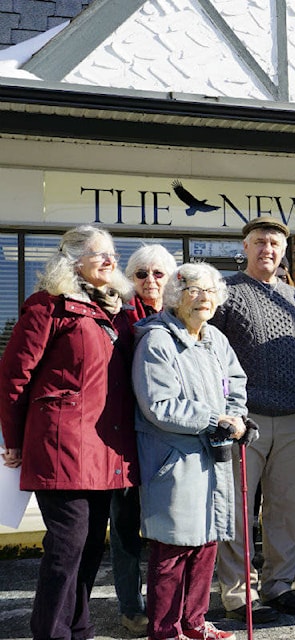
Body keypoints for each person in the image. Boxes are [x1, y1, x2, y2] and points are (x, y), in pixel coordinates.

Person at [0, 225, 138, 640]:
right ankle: (51, 631)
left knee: (92, 543)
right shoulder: (48, 307)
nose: (110, 260)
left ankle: (79, 627)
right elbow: (12, 377)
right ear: (72, 260)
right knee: (67, 544)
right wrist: (14, 440)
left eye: (112, 253)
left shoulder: (112, 312)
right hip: (61, 442)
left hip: (104, 446)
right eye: (99, 254)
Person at [132, 262, 250, 640]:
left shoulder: (215, 338)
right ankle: (166, 630)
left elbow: (236, 383)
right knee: (173, 547)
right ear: (175, 297)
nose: (204, 298)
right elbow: (160, 405)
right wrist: (217, 418)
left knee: (206, 542)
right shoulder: (156, 341)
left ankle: (194, 624)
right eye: (195, 290)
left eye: (211, 291)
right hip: (174, 459)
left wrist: (236, 417)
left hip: (213, 456)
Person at [211, 216, 295, 622]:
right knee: (239, 507)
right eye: (259, 242)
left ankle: (279, 586)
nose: (267, 249)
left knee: (286, 507)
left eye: (274, 243)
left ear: (283, 250)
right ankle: (239, 594)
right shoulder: (226, 292)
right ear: (245, 247)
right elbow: (213, 354)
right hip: (246, 418)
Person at [107, 244, 178, 636]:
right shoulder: (119, 319)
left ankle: (166, 602)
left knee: (167, 524)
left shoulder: (179, 318)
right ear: (130, 280)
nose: (150, 281)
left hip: (169, 438)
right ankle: (131, 605)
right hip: (125, 436)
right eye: (141, 274)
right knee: (125, 524)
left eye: (158, 274)